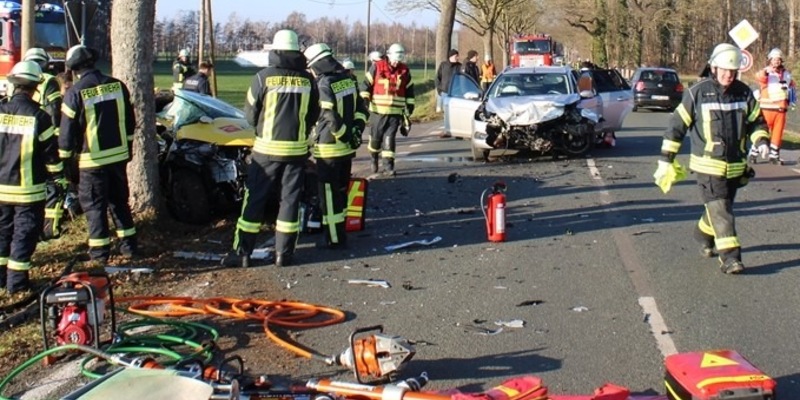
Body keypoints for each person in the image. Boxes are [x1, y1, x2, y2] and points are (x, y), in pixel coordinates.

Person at [655, 43, 769, 275]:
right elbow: (676, 127)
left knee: (719, 208)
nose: (729, 75)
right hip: (707, 166)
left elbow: (756, 121)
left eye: (733, 71)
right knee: (721, 209)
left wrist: (762, 141)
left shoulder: (744, 92)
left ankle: (702, 235)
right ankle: (730, 258)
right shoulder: (696, 93)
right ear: (713, 67)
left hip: (736, 167)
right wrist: (666, 159)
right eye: (725, 70)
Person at [222, 29, 320, 268]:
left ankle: (243, 253)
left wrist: (263, 130)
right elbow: (314, 114)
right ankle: (283, 255)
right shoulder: (308, 80)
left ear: (275, 51)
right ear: (297, 51)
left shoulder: (262, 77)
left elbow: (250, 114)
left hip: (265, 151)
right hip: (296, 152)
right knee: (290, 201)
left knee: (254, 199)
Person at [59, 45, 137, 267]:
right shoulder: (118, 86)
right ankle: (129, 246)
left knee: (94, 207)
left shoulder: (75, 93)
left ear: (74, 68)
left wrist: (65, 162)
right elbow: (131, 123)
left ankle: (99, 254)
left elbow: (66, 134)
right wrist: (128, 148)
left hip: (92, 161)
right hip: (119, 157)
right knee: (119, 202)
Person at [0, 61, 60, 294]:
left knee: (2, 233)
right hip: (28, 192)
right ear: (35, 86)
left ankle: (2, 280)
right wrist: (59, 178)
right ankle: (17, 284)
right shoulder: (40, 117)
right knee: (24, 236)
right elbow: (50, 156)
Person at [304, 43, 368, 248]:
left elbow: (329, 115)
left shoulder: (324, 83)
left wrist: (342, 134)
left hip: (329, 147)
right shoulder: (347, 80)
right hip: (347, 149)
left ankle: (334, 237)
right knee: (341, 190)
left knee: (329, 195)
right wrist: (355, 131)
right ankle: (341, 232)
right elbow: (361, 109)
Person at [22, 48, 67, 241]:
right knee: (51, 186)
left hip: (18, 141)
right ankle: (48, 230)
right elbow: (54, 112)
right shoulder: (49, 81)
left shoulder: (13, 82)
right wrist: (56, 140)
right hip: (42, 137)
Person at [360, 43, 414, 176]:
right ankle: (374, 157)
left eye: (399, 60)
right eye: (395, 59)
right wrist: (365, 99)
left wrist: (410, 105)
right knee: (376, 139)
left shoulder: (405, 70)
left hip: (395, 113)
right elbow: (365, 85)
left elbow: (409, 90)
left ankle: (389, 166)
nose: (397, 63)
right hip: (378, 112)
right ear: (389, 56)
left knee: (389, 139)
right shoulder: (377, 67)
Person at [748, 48, 795, 165]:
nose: (776, 62)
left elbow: (791, 87)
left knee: (777, 133)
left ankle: (774, 155)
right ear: (770, 60)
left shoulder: (786, 74)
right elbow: (760, 77)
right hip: (767, 109)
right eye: (774, 59)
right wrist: (766, 71)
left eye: (778, 59)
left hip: (781, 109)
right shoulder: (766, 73)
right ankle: (753, 153)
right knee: (762, 131)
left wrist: (792, 99)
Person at [435, 49, 460, 113]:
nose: (458, 57)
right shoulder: (443, 65)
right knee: (445, 112)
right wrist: (439, 90)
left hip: (456, 93)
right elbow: (438, 78)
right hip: (444, 92)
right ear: (451, 56)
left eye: (458, 56)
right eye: (456, 56)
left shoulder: (459, 66)